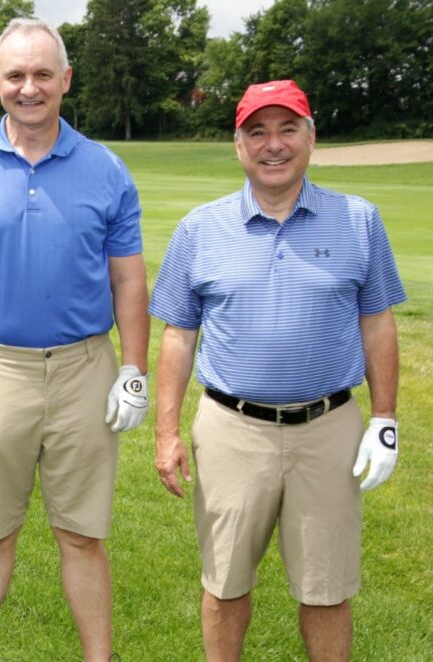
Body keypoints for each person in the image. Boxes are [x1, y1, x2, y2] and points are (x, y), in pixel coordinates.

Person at [0, 18, 149, 662]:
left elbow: (129, 278)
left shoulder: (106, 169)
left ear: (65, 80)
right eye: (16, 75)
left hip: (85, 368)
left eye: (43, 74)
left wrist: (134, 369)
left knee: (83, 534)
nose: (30, 87)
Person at [151, 79, 406, 661]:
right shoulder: (200, 228)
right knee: (225, 584)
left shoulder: (359, 220)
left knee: (327, 589)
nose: (274, 145)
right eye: (258, 132)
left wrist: (385, 420)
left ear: (311, 138)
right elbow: (178, 335)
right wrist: (166, 433)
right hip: (231, 429)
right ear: (238, 145)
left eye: (288, 129)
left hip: (329, 429)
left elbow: (377, 323)